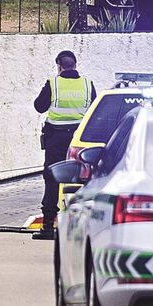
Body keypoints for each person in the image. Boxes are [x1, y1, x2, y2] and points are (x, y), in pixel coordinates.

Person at [32, 50, 96, 240]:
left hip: (56, 139)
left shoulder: (54, 84)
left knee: (52, 179)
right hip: (80, 139)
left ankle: (47, 227)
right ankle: (84, 227)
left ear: (59, 66)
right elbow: (94, 108)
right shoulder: (87, 84)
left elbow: (39, 106)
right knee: (83, 179)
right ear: (75, 65)